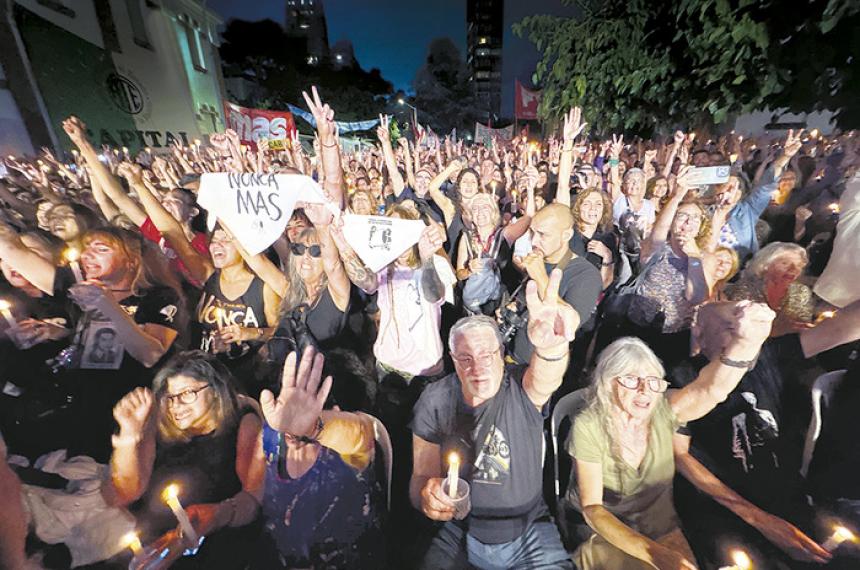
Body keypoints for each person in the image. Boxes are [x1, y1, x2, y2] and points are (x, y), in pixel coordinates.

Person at [566, 302, 777, 569]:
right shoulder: (589, 425)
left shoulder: (663, 410)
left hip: (661, 526)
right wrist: (654, 553)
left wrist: (746, 343)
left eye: (653, 381)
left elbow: (709, 390)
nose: (644, 391)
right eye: (631, 379)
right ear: (608, 384)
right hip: (605, 532)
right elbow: (593, 509)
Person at [411, 269, 578, 569]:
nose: (478, 367)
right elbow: (420, 478)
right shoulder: (436, 400)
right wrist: (428, 495)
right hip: (459, 530)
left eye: (487, 355)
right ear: (453, 360)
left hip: (528, 526)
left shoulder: (520, 387)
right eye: (466, 358)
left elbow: (546, 376)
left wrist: (551, 346)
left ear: (502, 355)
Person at [0, 224, 182, 460]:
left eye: (101, 248)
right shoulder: (79, 285)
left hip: (127, 413)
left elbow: (150, 354)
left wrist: (107, 306)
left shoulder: (159, 296)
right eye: (87, 248)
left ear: (132, 261)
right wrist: (64, 334)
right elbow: (13, 250)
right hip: (81, 407)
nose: (88, 254)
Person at [102, 351, 264, 569]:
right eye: (169, 397)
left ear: (215, 390)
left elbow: (253, 499)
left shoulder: (242, 420)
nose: (176, 405)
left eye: (187, 393)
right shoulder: (156, 421)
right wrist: (130, 436)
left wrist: (218, 514)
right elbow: (121, 494)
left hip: (211, 539)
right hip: (149, 541)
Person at [253, 347, 386, 569]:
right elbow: (253, 497)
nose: (291, 428)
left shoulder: (353, 450)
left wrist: (312, 426)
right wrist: (219, 514)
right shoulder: (270, 436)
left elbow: (359, 434)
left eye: (319, 407)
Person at [509, 203, 602, 365]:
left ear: (566, 235)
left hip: (540, 369)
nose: (534, 241)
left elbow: (569, 323)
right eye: (532, 232)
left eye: (543, 235)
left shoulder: (586, 275)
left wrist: (540, 277)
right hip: (512, 356)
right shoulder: (538, 260)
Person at [726, 242, 814, 337]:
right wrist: (779, 330)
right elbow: (738, 328)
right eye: (785, 263)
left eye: (799, 265)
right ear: (765, 265)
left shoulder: (801, 291)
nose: (793, 269)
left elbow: (803, 325)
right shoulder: (745, 287)